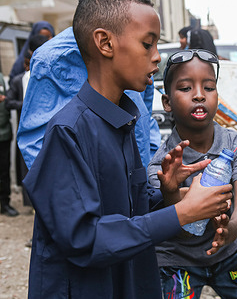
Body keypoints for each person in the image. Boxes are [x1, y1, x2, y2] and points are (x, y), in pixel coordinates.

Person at [22, 0, 233, 298]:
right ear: (105, 43)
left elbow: (129, 209)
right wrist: (182, 214)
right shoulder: (67, 132)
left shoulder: (121, 120)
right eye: (148, 44)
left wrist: (170, 194)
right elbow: (85, 238)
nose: (157, 57)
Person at [148, 49, 237, 299]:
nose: (199, 95)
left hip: (228, 254)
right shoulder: (162, 166)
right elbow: (176, 230)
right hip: (176, 262)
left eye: (208, 88)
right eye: (186, 88)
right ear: (167, 102)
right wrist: (170, 193)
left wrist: (229, 231)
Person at [17, 26, 160, 170]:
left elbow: (145, 120)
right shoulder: (51, 59)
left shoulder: (138, 54)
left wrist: (150, 173)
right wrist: (74, 189)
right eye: (147, 44)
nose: (157, 57)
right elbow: (35, 142)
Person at [5, 34, 50, 208]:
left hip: (47, 128)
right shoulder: (20, 79)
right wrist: (26, 104)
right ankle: (32, 203)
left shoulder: (50, 74)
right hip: (27, 128)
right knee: (28, 165)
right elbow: (10, 102)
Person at [0, 73, 19, 217]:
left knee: (4, 170)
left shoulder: (2, 78)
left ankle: (5, 203)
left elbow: (9, 101)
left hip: (3, 132)